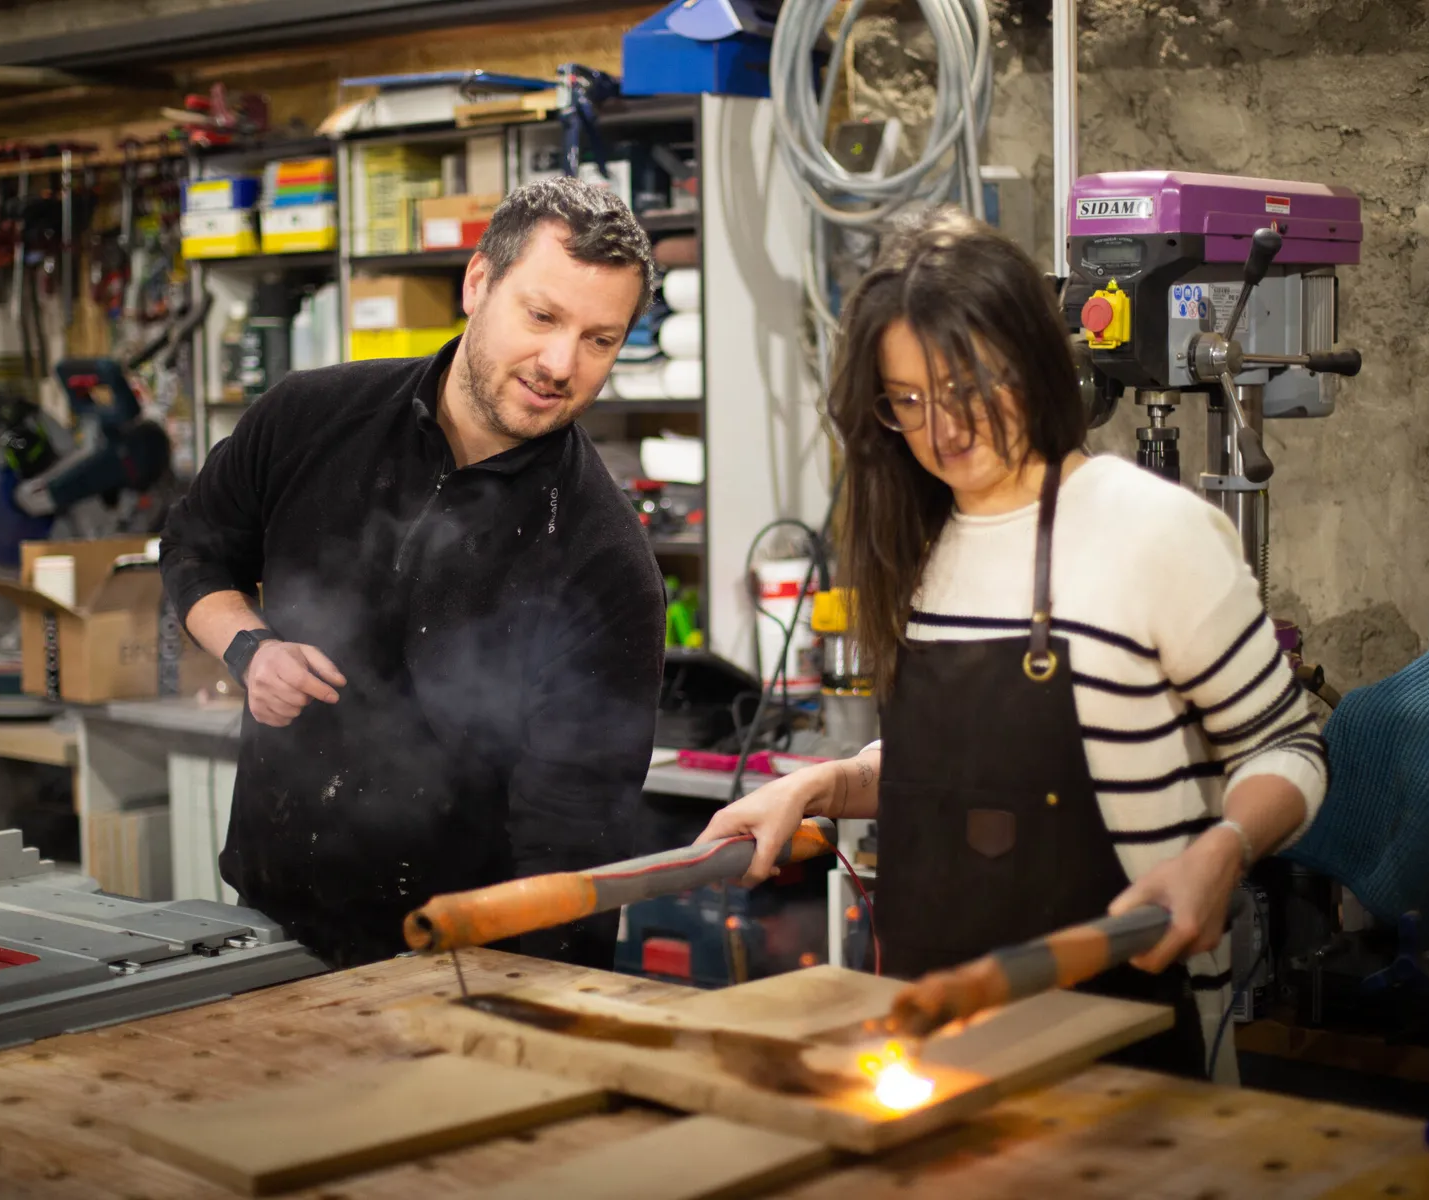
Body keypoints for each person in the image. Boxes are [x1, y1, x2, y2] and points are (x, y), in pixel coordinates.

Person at [696, 207, 1327, 1081]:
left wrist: (1222, 851)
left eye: (966, 388)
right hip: (936, 1043)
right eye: (909, 400)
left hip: (1124, 1044)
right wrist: (819, 788)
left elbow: (1290, 748)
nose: (944, 430)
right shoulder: (920, 546)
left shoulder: (1149, 530)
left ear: (1031, 361)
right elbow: (953, 773)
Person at [159, 177, 667, 970]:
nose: (560, 363)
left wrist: (533, 1008)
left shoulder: (602, 561)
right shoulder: (309, 417)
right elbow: (195, 547)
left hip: (457, 965)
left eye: (599, 340)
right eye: (541, 317)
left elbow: (573, 843)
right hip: (267, 928)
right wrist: (250, 649)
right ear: (478, 283)